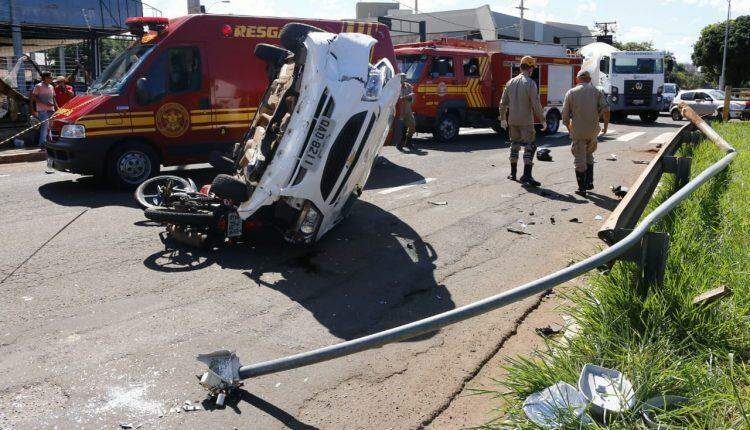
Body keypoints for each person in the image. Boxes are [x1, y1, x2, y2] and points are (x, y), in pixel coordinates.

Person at [561, 69, 610, 197]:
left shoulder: (571, 93)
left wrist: (569, 128)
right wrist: (605, 127)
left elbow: (565, 115)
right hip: (593, 131)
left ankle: (582, 188)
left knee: (579, 160)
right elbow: (606, 110)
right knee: (589, 155)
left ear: (577, 79)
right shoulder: (597, 91)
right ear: (589, 79)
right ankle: (589, 182)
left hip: (579, 131)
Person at [498, 56, 546, 187]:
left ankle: (513, 173)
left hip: (512, 120)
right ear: (530, 68)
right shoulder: (530, 83)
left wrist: (502, 118)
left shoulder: (510, 82)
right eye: (532, 68)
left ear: (520, 67)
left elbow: (503, 103)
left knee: (514, 144)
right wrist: (542, 119)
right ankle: (527, 175)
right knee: (530, 146)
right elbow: (535, 103)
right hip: (526, 121)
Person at [30, 72, 58, 148]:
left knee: (51, 126)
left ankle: (50, 142)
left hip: (51, 109)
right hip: (42, 109)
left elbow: (53, 97)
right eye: (50, 77)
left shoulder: (51, 86)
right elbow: (33, 97)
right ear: (45, 78)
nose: (51, 79)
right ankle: (42, 144)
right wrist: (44, 103)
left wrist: (56, 107)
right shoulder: (38, 86)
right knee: (44, 126)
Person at [397, 80, 416, 152]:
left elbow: (412, 98)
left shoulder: (408, 86)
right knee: (401, 128)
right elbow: (398, 99)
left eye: (404, 77)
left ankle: (408, 142)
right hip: (400, 111)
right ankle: (399, 144)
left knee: (412, 126)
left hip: (408, 110)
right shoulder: (396, 87)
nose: (403, 79)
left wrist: (409, 97)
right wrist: (407, 97)